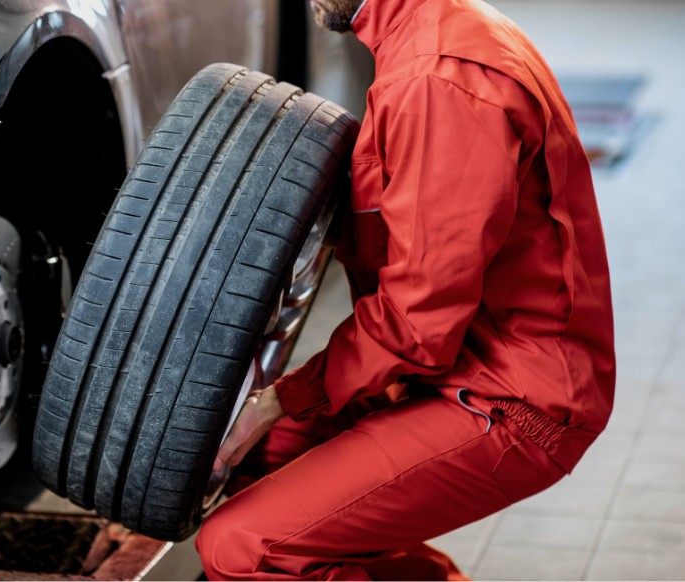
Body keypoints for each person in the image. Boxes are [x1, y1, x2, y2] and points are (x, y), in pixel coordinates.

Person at [194, 0, 616, 579]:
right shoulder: (417, 38)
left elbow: (420, 322)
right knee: (261, 460)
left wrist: (278, 400)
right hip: (445, 367)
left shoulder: (438, 80)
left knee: (243, 545)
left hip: (510, 402)